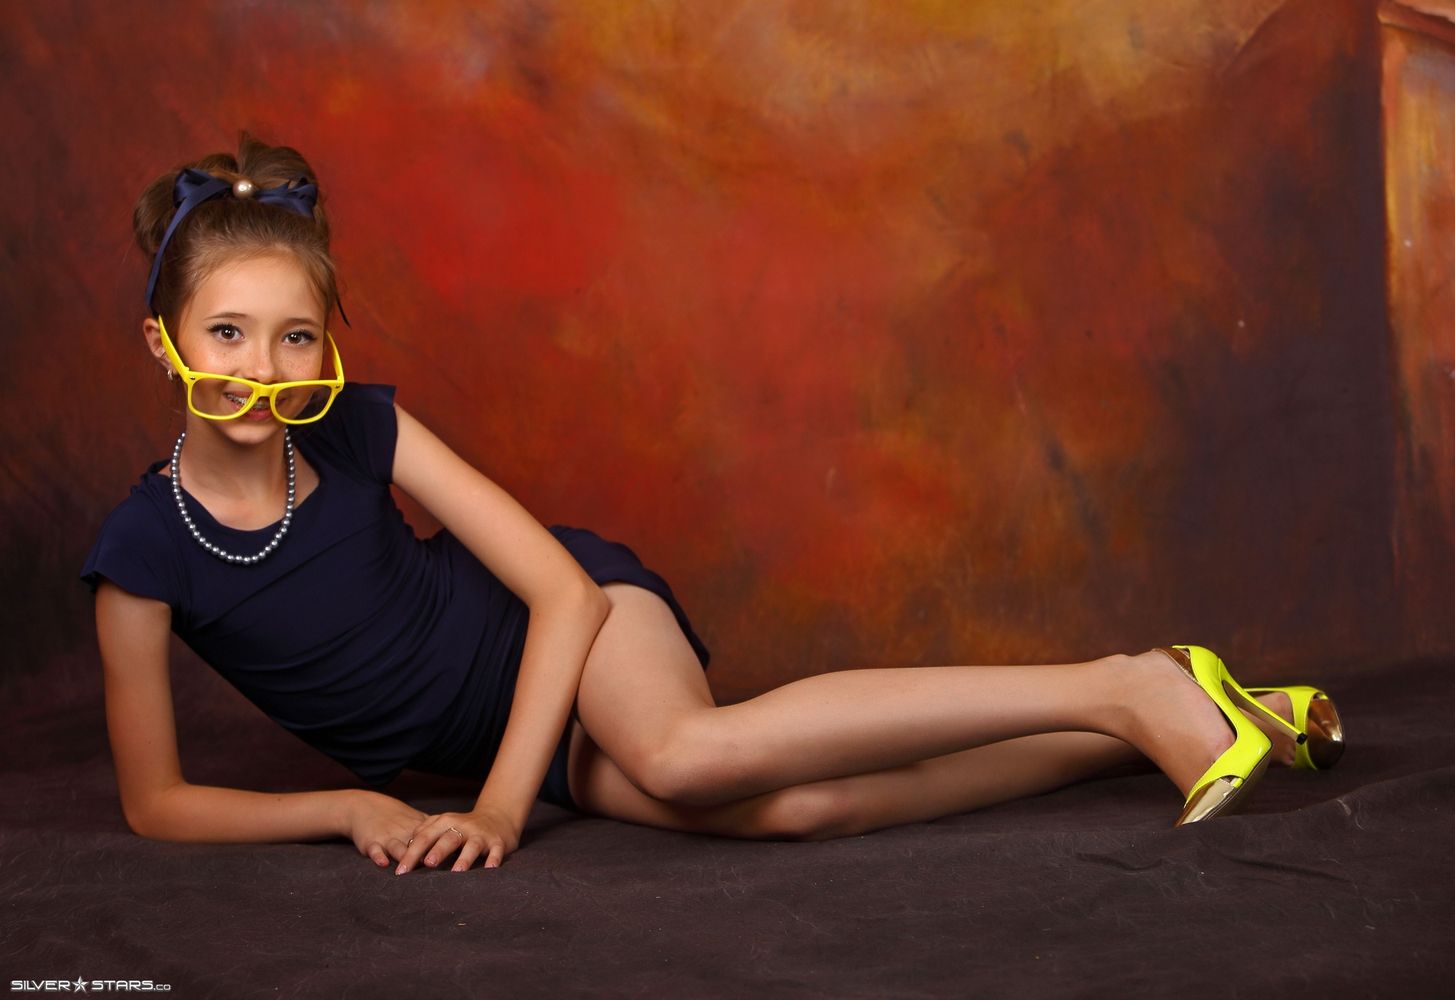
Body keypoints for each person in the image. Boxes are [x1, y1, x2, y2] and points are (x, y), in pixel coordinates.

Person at [83, 135, 1345, 877]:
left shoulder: (359, 427)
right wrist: (355, 805)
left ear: (327, 343)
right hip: (510, 742)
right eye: (228, 333)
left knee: (690, 753)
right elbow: (157, 803)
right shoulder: (142, 550)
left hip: (572, 635)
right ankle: (1164, 712)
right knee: (798, 809)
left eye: (296, 334)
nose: (262, 368)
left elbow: (562, 594)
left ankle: (1123, 683)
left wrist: (504, 807)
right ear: (163, 343)